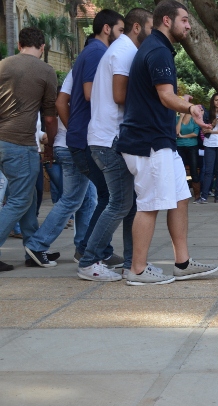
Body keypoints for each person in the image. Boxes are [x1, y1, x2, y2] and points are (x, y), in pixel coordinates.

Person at [116, 0, 218, 285]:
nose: (188, 26)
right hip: (148, 142)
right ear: (166, 20)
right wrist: (190, 109)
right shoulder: (159, 50)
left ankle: (182, 263)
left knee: (179, 198)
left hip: (160, 140)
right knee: (150, 204)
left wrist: (181, 102)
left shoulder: (156, 49)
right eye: (185, 20)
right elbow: (164, 95)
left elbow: (162, 96)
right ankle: (137, 270)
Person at [71, 8, 154, 281]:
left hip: (109, 139)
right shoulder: (124, 51)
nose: (154, 34)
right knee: (120, 203)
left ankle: (133, 264)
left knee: (128, 204)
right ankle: (89, 261)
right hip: (109, 140)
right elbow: (120, 96)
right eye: (151, 27)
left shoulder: (122, 49)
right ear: (137, 28)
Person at [67, 9, 126, 272]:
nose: (122, 36)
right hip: (88, 139)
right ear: (106, 29)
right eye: (121, 30)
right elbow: (91, 94)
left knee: (107, 196)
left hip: (82, 136)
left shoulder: (89, 52)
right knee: (113, 198)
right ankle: (89, 252)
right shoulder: (97, 53)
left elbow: (63, 98)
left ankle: (95, 249)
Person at [23, 71, 98, 269]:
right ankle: (37, 244)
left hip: (69, 146)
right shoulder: (86, 76)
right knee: (72, 199)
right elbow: (58, 109)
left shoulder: (76, 75)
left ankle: (84, 248)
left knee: (88, 199)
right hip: (73, 147)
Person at [0, 27, 58, 272]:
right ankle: (33, 246)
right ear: (42, 47)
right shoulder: (46, 71)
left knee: (28, 197)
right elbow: (50, 117)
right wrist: (51, 145)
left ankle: (34, 248)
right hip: (20, 142)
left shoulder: (3, 65)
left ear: (19, 44)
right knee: (20, 199)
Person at [197, 93, 218, 204]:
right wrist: (213, 123)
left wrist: (213, 131)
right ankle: (204, 196)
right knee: (208, 171)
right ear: (213, 101)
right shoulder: (206, 114)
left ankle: (217, 196)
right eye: (216, 100)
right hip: (209, 144)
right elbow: (204, 130)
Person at [176, 95, 202, 199]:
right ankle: (181, 194)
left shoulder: (194, 119)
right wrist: (181, 117)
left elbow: (195, 133)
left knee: (194, 170)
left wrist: (182, 136)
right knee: (180, 170)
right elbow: (176, 132)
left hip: (192, 147)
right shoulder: (177, 118)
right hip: (180, 147)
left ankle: (197, 195)